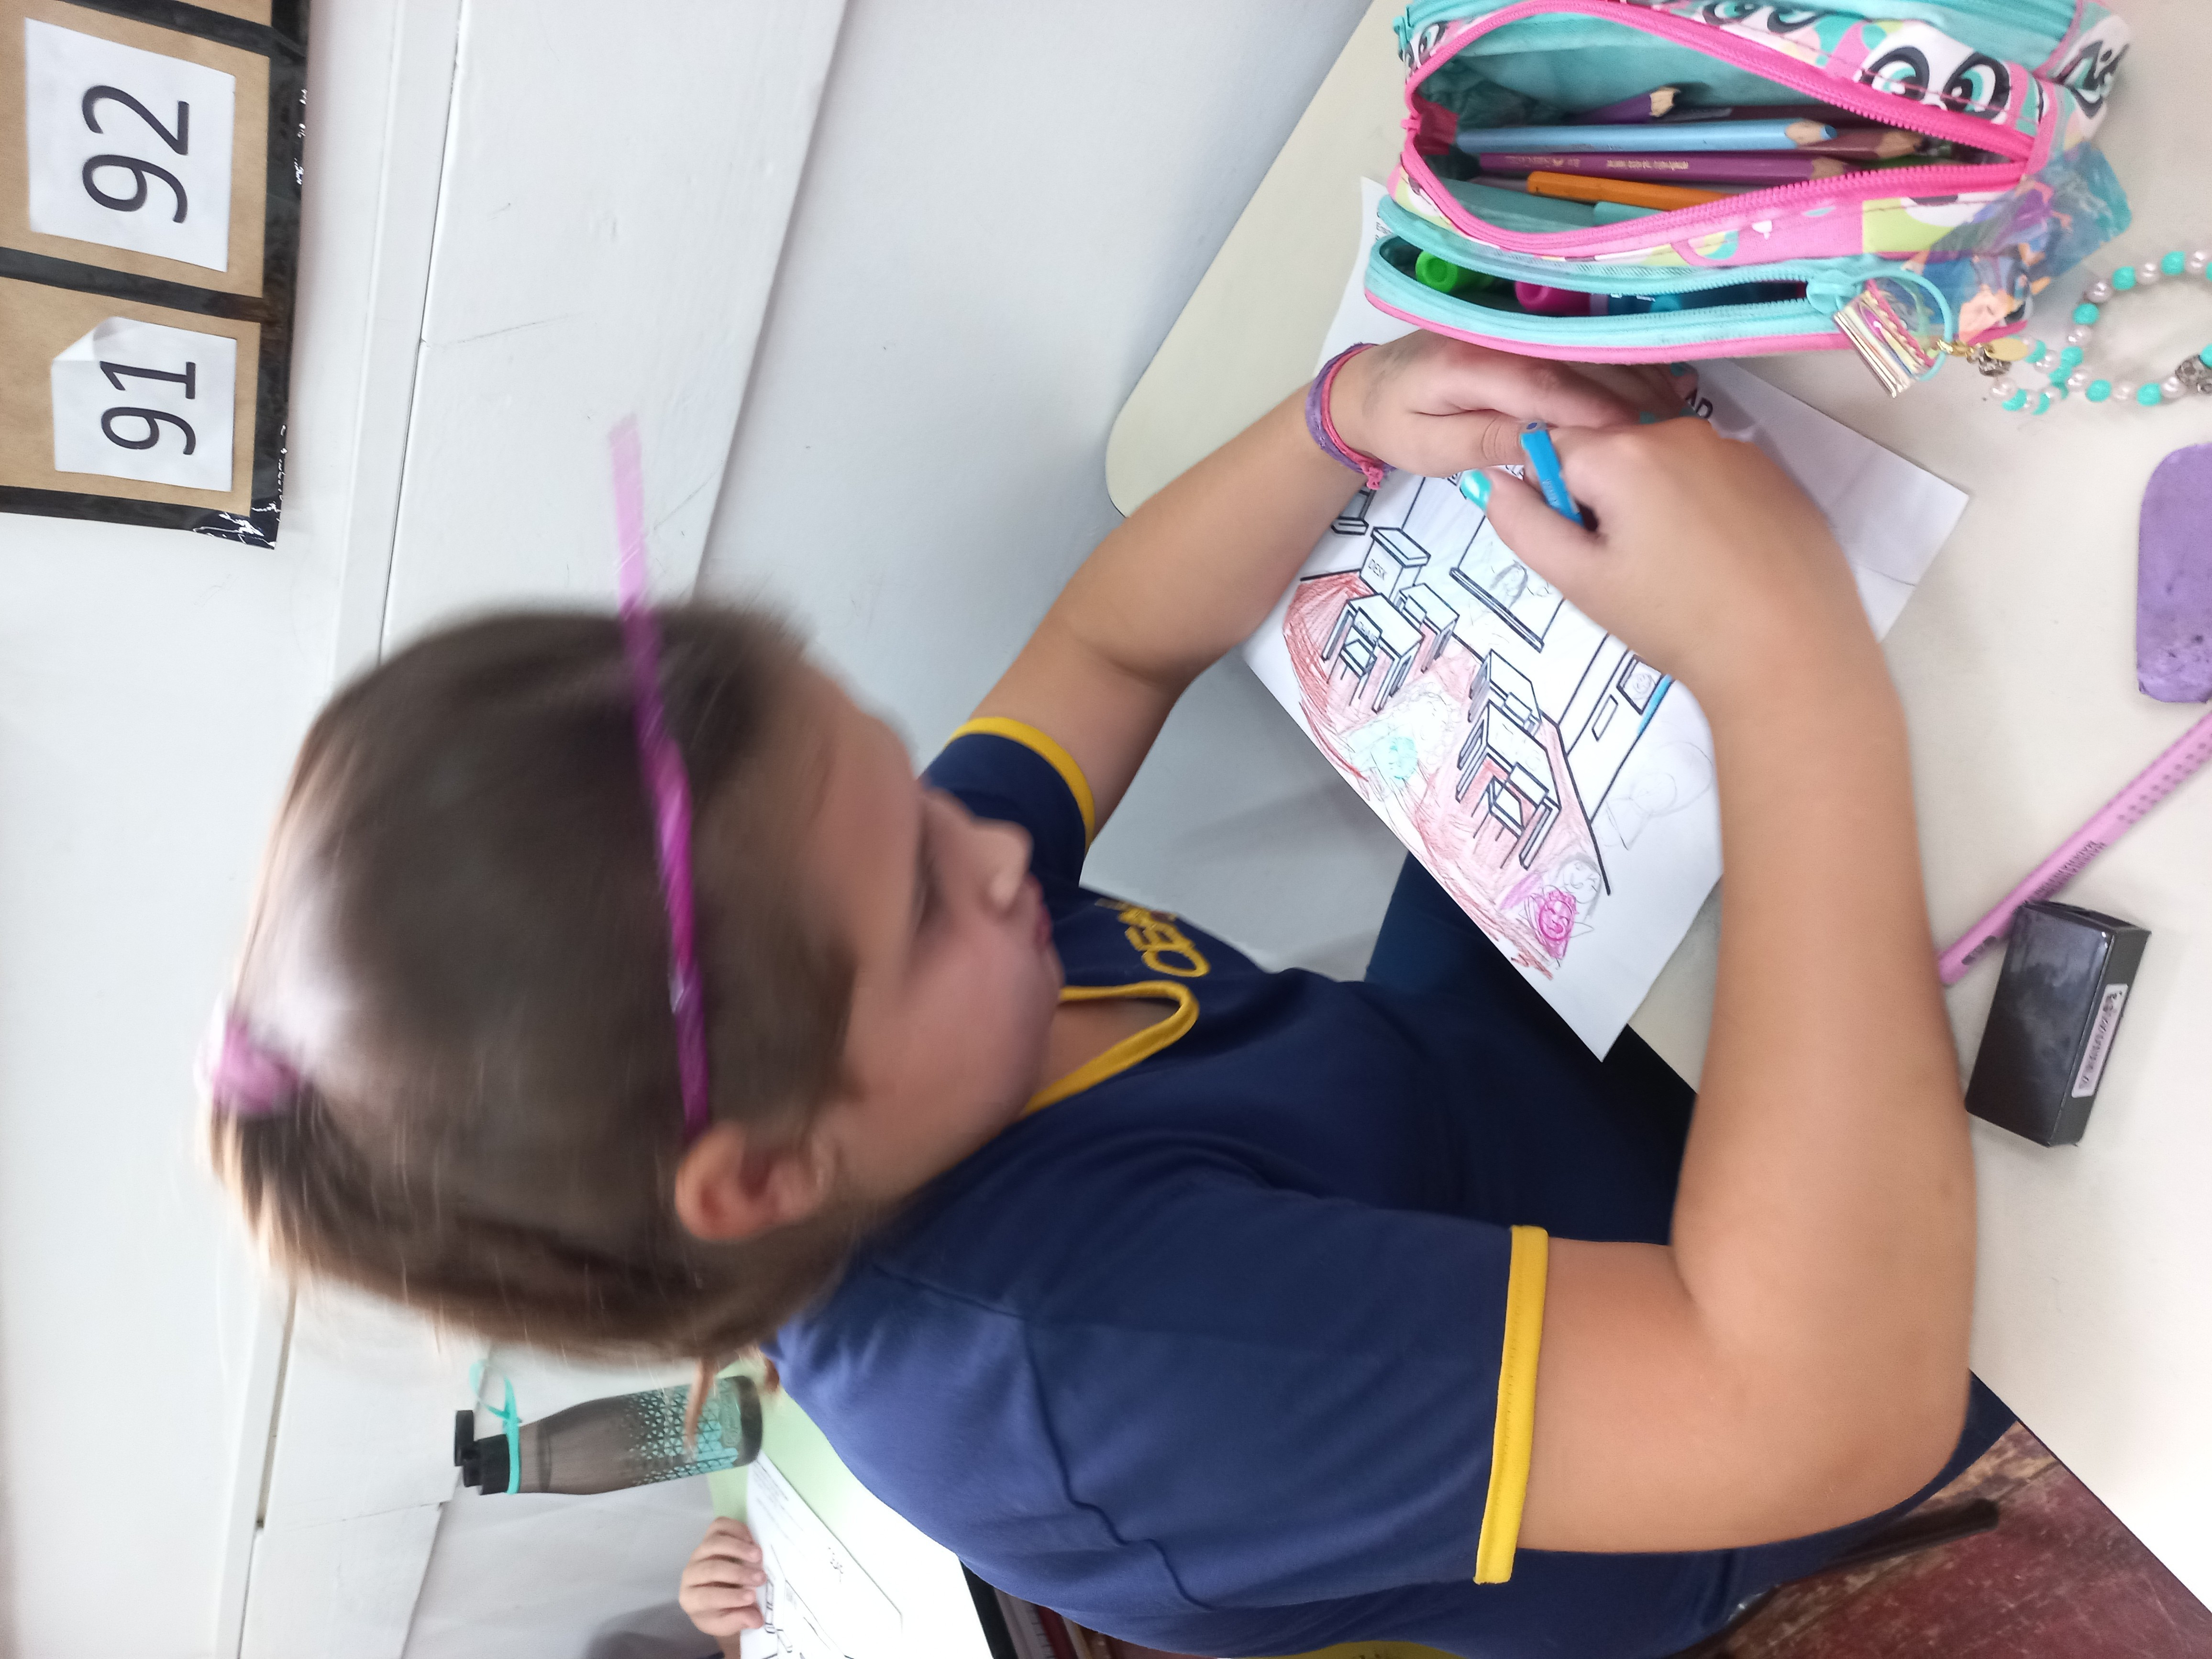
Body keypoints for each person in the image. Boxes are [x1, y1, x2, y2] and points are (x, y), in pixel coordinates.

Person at [207, 334, 2007, 1659]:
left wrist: (1344, 415)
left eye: (907, 783)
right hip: (1738, 1383)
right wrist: (1784, 668)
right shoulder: (1077, 1372)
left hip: (1487, 1088)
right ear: (763, 1172)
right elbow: (1815, 1397)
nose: (993, 851)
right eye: (922, 893)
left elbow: (1112, 643)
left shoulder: (895, 976)